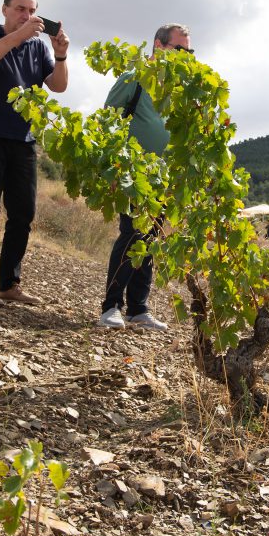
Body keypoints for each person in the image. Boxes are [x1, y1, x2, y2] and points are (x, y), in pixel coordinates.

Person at [0, 0, 70, 307]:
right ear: (5, 9)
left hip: (24, 140)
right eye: (20, 9)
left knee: (23, 213)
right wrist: (19, 35)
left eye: (32, 11)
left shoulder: (39, 47)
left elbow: (59, 86)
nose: (27, 16)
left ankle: (9, 284)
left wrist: (62, 53)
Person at [97, 23, 193, 331]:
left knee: (150, 239)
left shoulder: (178, 90)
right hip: (132, 172)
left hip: (164, 176)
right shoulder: (134, 79)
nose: (186, 56)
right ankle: (111, 306)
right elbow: (107, 120)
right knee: (131, 234)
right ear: (159, 46)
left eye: (189, 51)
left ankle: (138, 308)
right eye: (180, 49)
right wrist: (113, 167)